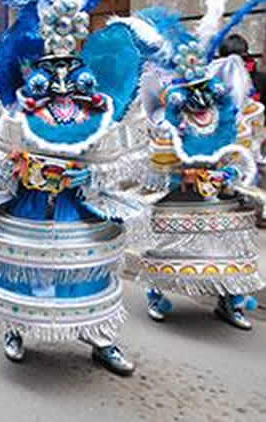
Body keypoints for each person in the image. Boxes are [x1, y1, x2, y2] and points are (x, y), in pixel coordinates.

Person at [0, 0, 164, 376]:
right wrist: (17, 168)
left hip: (81, 209)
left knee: (87, 273)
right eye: (49, 76)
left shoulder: (101, 112)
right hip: (29, 206)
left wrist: (89, 177)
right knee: (24, 270)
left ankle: (99, 336)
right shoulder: (17, 114)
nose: (60, 85)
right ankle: (17, 328)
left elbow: (122, 161)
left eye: (71, 75)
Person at [135, 2, 266, 331]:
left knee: (227, 250)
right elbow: (154, 165)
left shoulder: (227, 116)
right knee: (169, 249)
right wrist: (180, 171)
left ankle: (230, 301)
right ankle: (156, 294)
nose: (199, 101)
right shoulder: (166, 122)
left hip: (220, 199)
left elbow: (241, 155)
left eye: (204, 92)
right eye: (190, 93)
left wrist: (230, 174)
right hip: (180, 198)